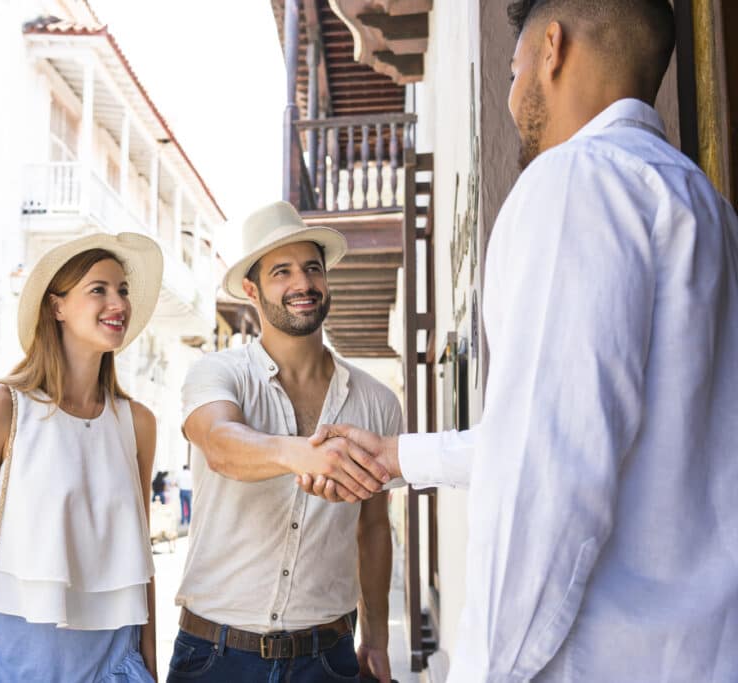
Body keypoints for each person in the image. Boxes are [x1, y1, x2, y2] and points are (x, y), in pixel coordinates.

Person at [300, 1, 738, 681]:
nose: (510, 98)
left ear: (552, 49)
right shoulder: (708, 209)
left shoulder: (577, 182)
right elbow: (577, 432)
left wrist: (484, 670)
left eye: (511, 69)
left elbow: (551, 472)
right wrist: (397, 455)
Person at [0, 233, 164, 683]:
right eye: (98, 289)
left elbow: (141, 566)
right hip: (10, 663)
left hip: (113, 667)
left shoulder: (138, 422)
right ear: (57, 307)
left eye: (123, 290)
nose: (118, 303)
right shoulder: (2, 407)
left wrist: (150, 668)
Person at [168, 201, 398, 683]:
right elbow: (219, 443)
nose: (303, 284)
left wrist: (376, 639)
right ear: (252, 289)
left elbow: (374, 527)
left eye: (312, 268)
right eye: (282, 272)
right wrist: (302, 453)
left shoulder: (377, 402)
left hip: (327, 657)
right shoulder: (218, 373)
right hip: (215, 655)